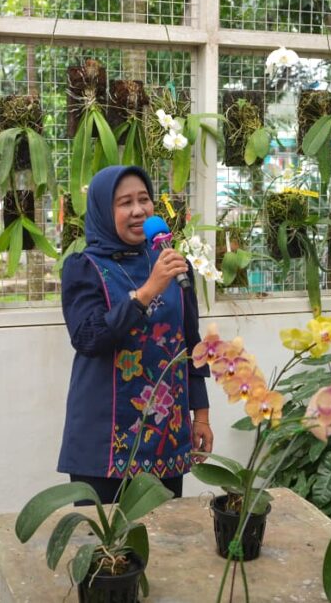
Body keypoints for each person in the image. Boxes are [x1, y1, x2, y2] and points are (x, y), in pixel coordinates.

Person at [58, 165, 212, 502]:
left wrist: (201, 416)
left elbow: (191, 344)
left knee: (164, 533)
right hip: (104, 443)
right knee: (106, 535)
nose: (139, 210)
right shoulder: (84, 268)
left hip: (165, 439)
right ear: (103, 210)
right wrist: (146, 292)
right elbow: (88, 338)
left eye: (144, 199)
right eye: (125, 202)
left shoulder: (172, 264)